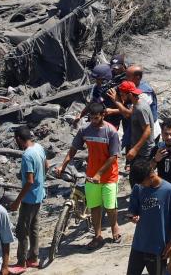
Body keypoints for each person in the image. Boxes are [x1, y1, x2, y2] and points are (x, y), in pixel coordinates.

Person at [56, 102, 122, 249]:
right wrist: (63, 165)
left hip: (109, 175)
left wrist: (99, 174)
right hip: (91, 175)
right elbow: (73, 149)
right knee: (94, 207)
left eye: (96, 118)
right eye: (91, 118)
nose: (93, 121)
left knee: (110, 206)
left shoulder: (111, 132)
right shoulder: (84, 130)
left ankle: (114, 226)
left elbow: (113, 157)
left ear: (103, 115)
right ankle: (97, 236)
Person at [127, 160, 171, 275]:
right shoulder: (138, 188)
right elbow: (132, 211)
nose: (141, 185)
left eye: (143, 183)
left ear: (151, 176)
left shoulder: (170, 191)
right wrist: (132, 217)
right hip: (139, 244)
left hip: (158, 249)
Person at [9, 126, 45, 270]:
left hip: (29, 199)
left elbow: (29, 181)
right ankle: (33, 258)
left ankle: (21, 262)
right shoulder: (39, 147)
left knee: (22, 230)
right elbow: (45, 165)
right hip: (39, 195)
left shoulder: (27, 155)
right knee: (33, 228)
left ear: (18, 139)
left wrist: (17, 201)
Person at [125, 81, 156, 174]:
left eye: (122, 95)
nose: (122, 97)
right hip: (140, 150)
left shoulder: (140, 108)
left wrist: (135, 149)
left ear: (130, 95)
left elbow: (147, 130)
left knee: (142, 178)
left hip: (143, 152)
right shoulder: (137, 103)